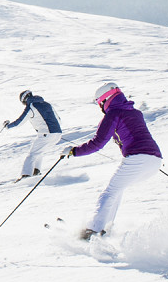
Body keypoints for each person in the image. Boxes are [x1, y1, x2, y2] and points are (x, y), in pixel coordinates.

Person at [60, 82, 162, 240]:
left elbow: (97, 143)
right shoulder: (135, 112)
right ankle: (105, 228)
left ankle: (94, 230)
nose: (100, 108)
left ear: (104, 100)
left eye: (99, 104)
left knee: (109, 193)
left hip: (138, 159)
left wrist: (74, 151)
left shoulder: (113, 114)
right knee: (117, 191)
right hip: (155, 161)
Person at [2, 90, 62, 180]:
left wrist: (8, 126)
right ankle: (35, 172)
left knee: (32, 154)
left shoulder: (31, 106)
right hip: (57, 134)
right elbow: (58, 119)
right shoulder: (47, 104)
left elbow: (19, 122)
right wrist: (54, 131)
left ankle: (26, 175)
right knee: (39, 152)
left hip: (46, 134)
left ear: (24, 99)